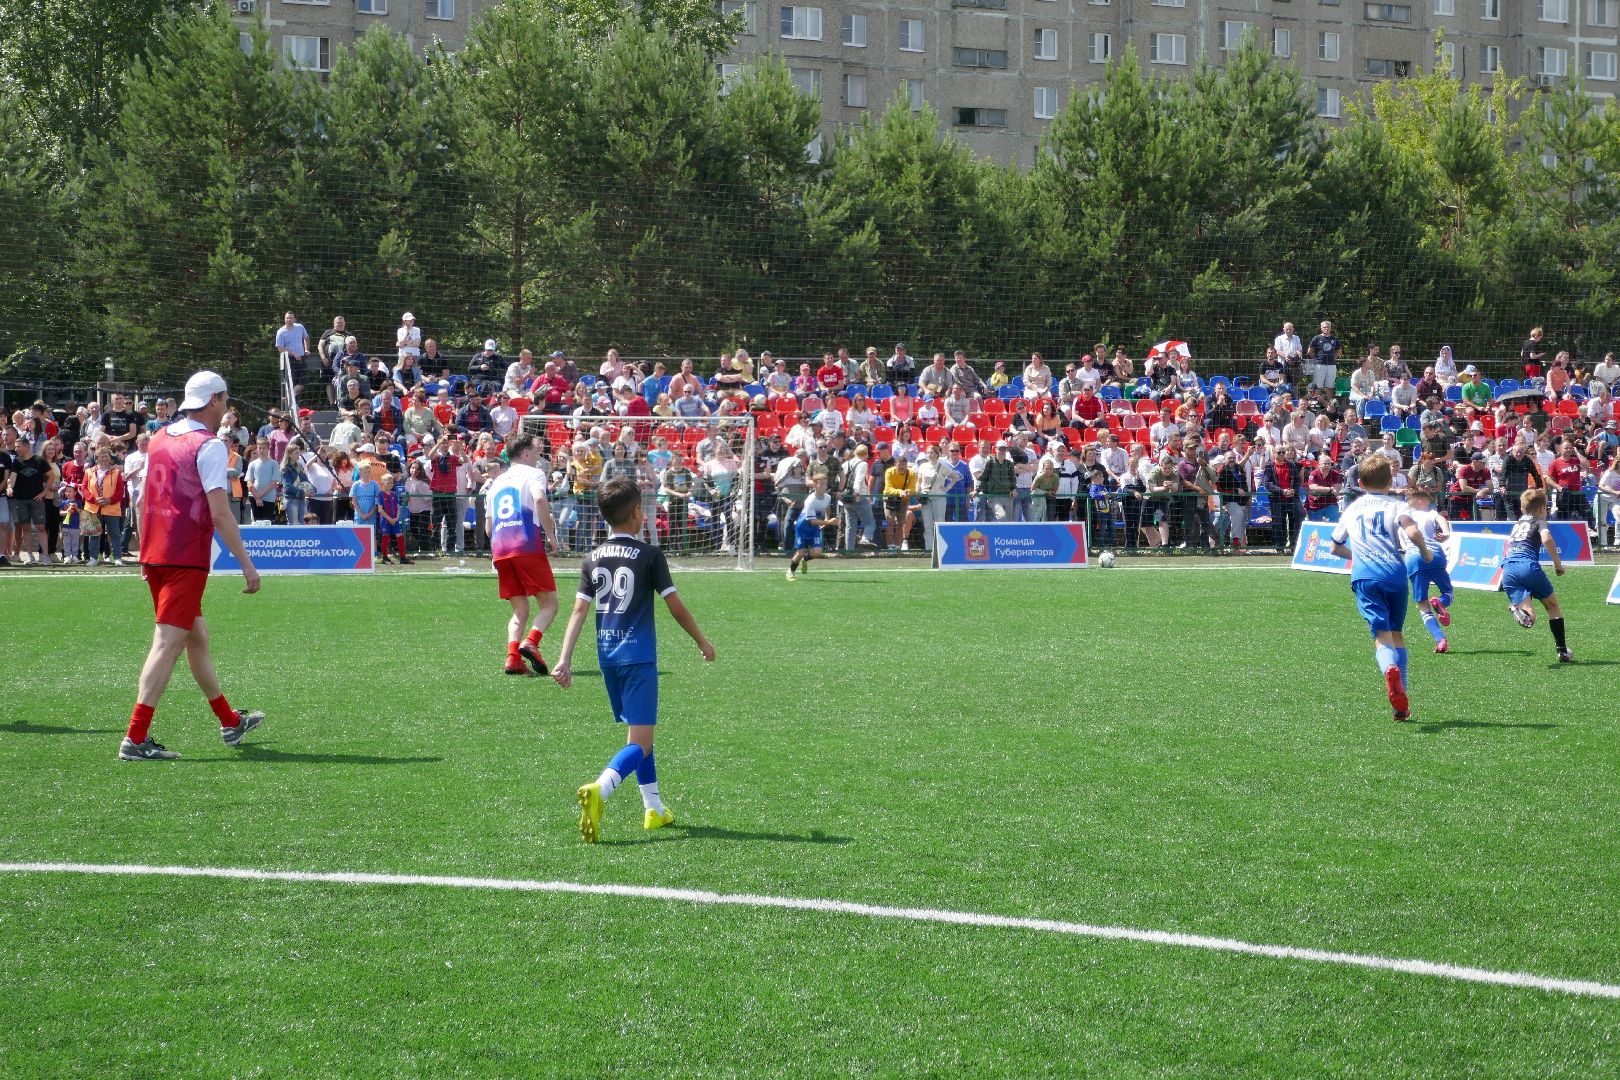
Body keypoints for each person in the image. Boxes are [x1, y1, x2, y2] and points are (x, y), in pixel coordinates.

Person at [555, 478, 715, 841]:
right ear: (638, 512)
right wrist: (702, 641)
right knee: (640, 742)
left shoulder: (591, 558)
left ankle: (654, 809)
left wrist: (564, 659)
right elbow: (675, 607)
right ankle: (600, 789)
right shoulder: (649, 555)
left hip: (608, 658)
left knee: (642, 735)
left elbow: (579, 611)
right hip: (639, 657)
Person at [120, 371, 264, 761]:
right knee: (167, 644)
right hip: (184, 555)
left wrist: (143, 546)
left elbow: (143, 498)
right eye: (225, 400)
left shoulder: (161, 437)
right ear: (214, 400)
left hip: (156, 551)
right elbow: (221, 513)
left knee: (195, 638)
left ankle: (230, 721)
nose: (227, 408)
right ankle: (135, 738)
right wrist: (248, 565)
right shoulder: (210, 445)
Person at [1328, 456, 1432, 724]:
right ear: (1390, 481)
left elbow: (1335, 547)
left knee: (1381, 637)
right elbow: (1412, 532)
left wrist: (1358, 556)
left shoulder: (1352, 509)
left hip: (1365, 577)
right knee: (1397, 634)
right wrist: (1425, 552)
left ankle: (1389, 668)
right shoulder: (1397, 506)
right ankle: (1402, 700)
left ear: (1360, 483)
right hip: (1394, 575)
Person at [483, 434, 561, 675]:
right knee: (549, 604)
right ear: (525, 453)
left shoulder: (496, 482)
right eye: (536, 453)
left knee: (520, 610)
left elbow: (487, 528)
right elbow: (539, 499)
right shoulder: (533, 474)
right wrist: (551, 535)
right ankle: (532, 642)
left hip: (500, 548)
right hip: (525, 543)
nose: (538, 457)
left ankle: (513, 658)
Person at [1501, 489, 1573, 662]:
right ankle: (1562, 651)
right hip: (1527, 566)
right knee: (1552, 606)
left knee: (1530, 618)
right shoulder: (1540, 521)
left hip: (1508, 569)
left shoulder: (1517, 523)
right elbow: (1546, 539)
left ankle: (1520, 612)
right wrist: (1558, 564)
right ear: (1542, 508)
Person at [1401, 489, 1454, 654]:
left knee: (1423, 605)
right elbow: (1440, 518)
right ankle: (1441, 602)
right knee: (1448, 592)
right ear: (1420, 502)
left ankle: (1440, 639)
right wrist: (1446, 533)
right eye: (1428, 501)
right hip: (1434, 553)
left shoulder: (1403, 517)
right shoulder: (1429, 513)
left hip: (1412, 557)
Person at [786, 474, 835, 580]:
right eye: (821, 484)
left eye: (825, 484)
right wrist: (829, 523)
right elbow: (812, 521)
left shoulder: (828, 497)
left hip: (814, 528)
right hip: (803, 528)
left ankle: (805, 559)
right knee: (799, 553)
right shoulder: (810, 500)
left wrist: (826, 519)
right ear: (815, 485)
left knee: (818, 552)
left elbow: (826, 507)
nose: (824, 486)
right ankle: (791, 571)